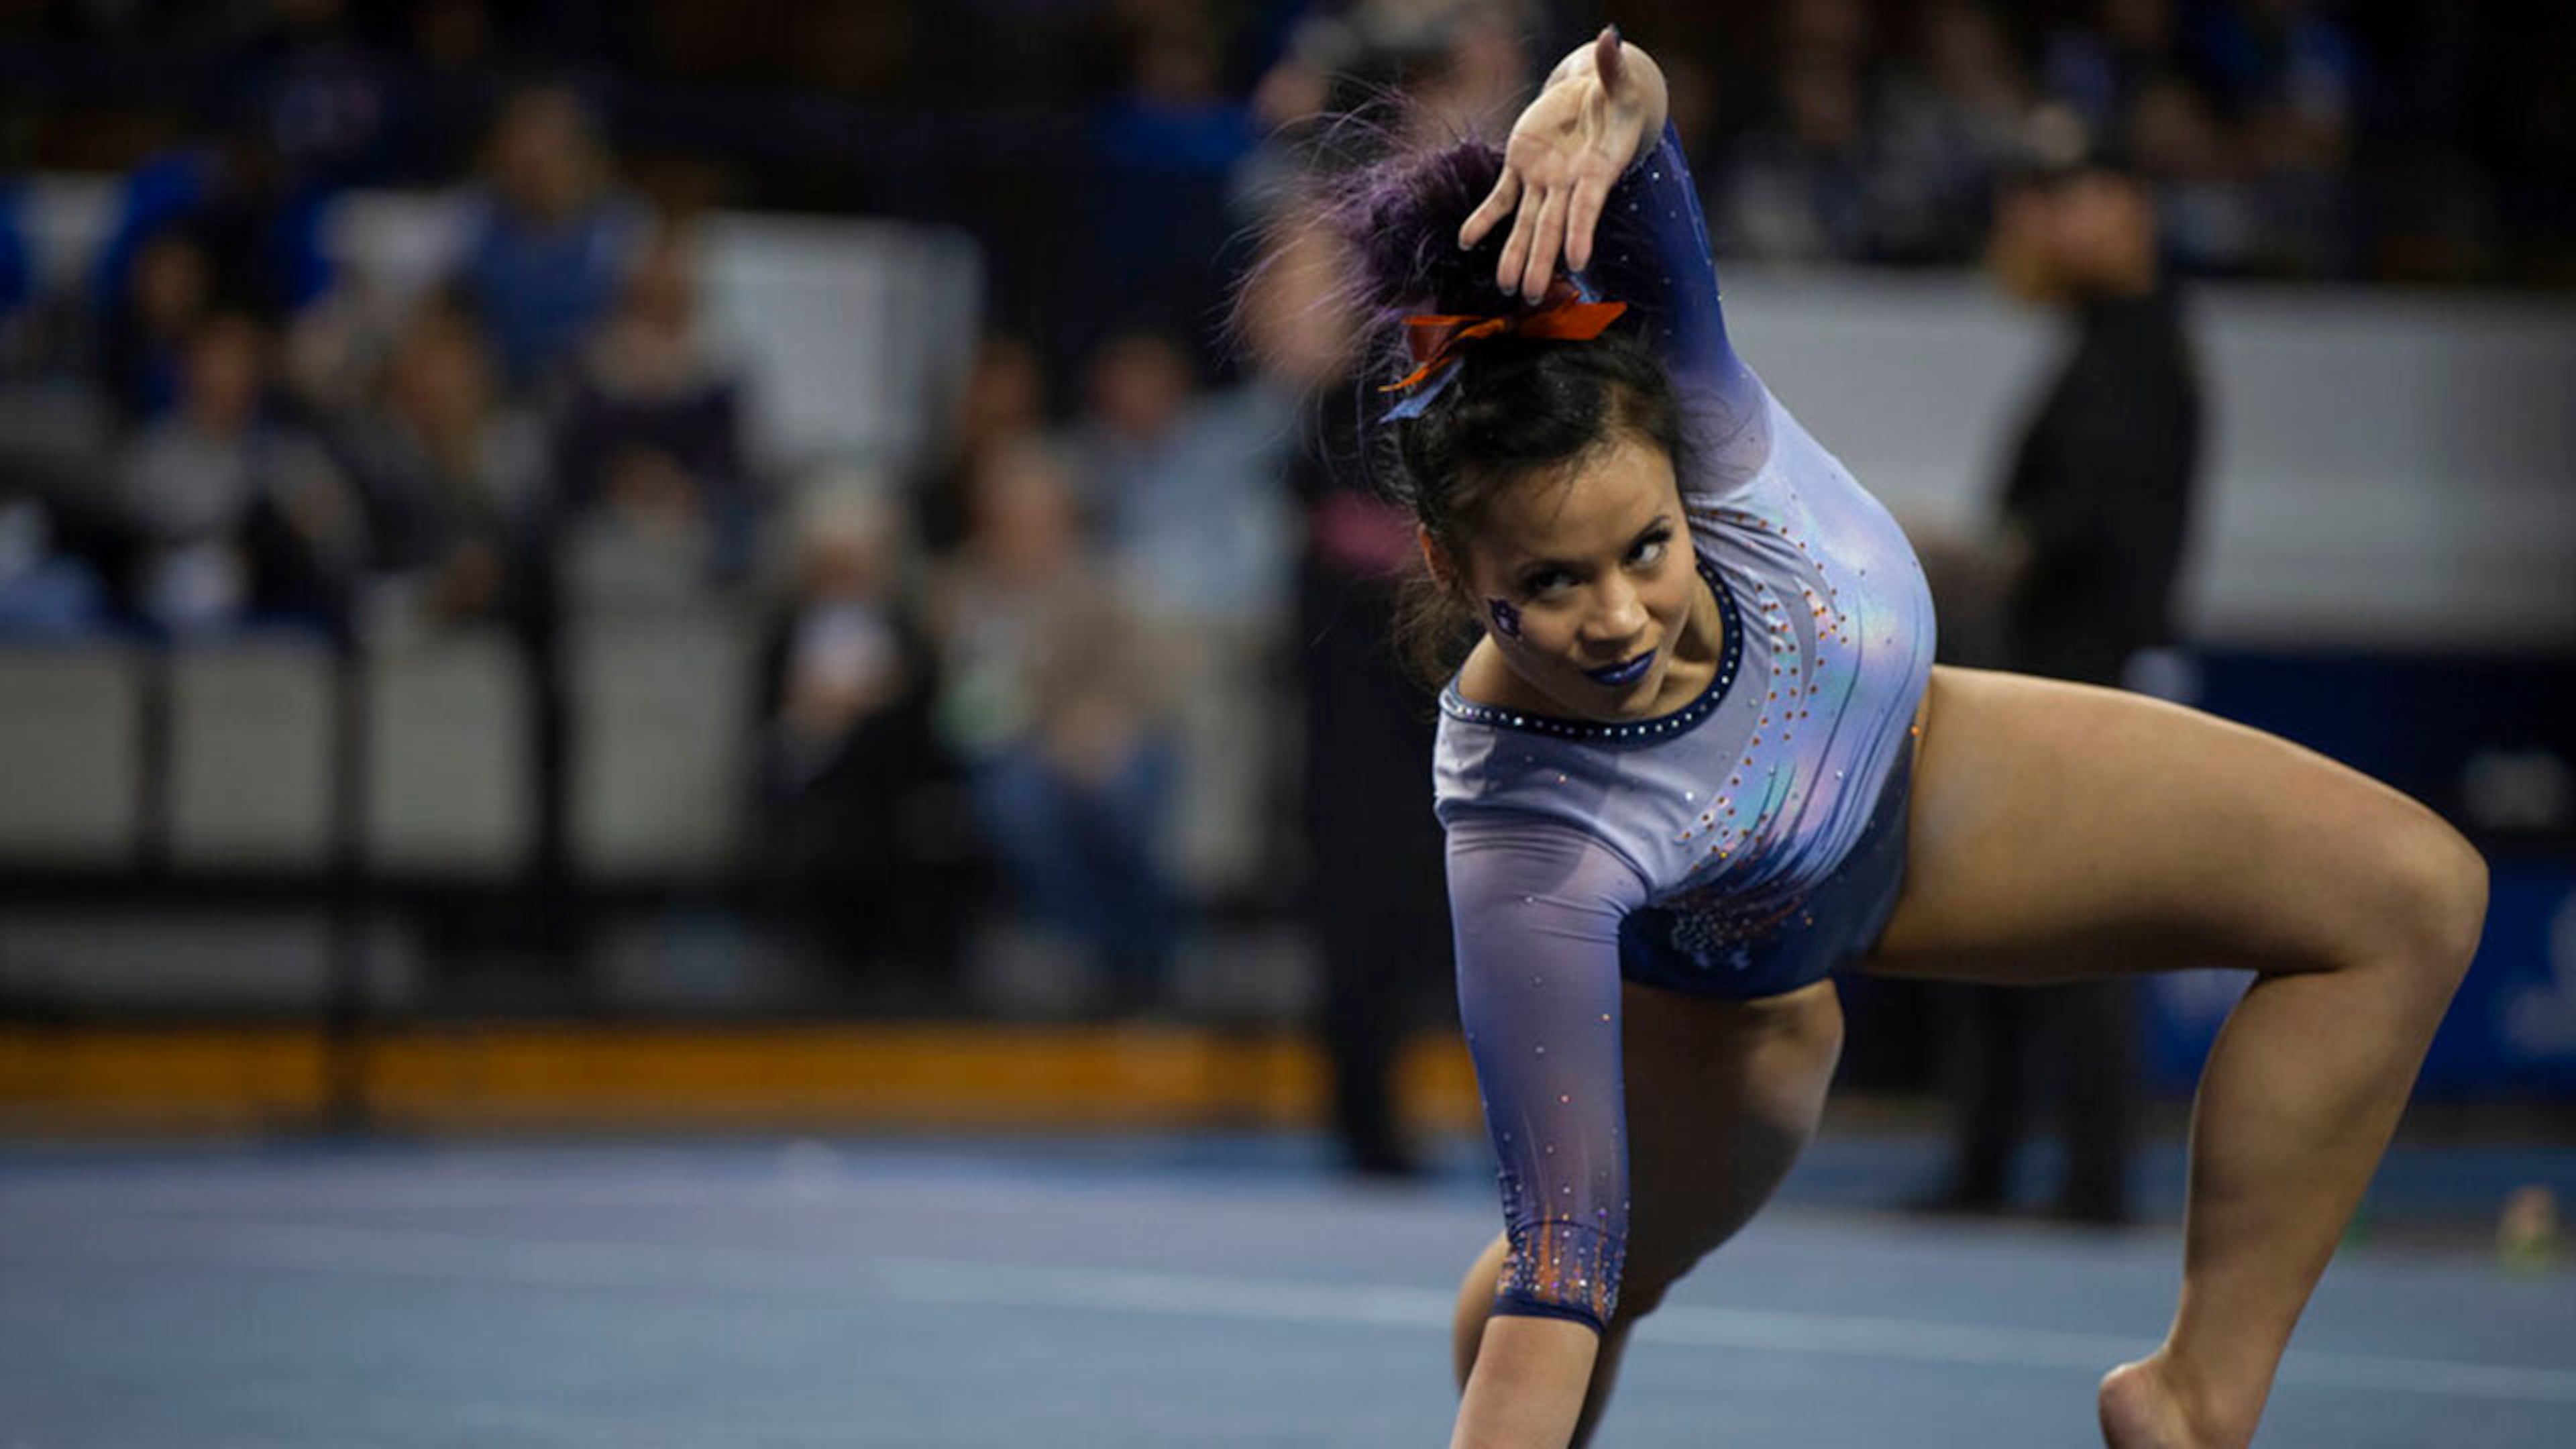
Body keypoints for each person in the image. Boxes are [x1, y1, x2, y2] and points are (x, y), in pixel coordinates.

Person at [1308, 28, 2485, 1449]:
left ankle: (2192, 1402)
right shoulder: (1526, 836)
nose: (1619, 617)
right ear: (1453, 570)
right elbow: (1562, 1266)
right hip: (1745, 992)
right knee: (1588, 1279)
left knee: (2410, 896)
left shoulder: (1700, 401)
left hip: (1939, 773)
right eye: (1551, 584)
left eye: (1645, 549)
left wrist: (1601, 94)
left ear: (1683, 472)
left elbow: (1639, 122)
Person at [1917, 111, 2203, 1226]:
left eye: (2055, 199)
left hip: (2082, 685)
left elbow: (2086, 527)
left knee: (2075, 939)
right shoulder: (2111, 342)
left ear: (2123, 210)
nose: (2027, 225)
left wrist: (1979, 557)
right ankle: (2002, 1166)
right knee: (2003, 929)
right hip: (2057, 680)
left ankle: (2082, 1177)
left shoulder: (2138, 348)